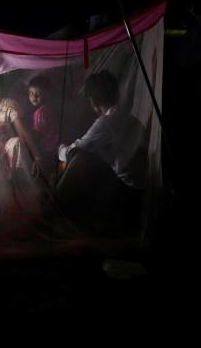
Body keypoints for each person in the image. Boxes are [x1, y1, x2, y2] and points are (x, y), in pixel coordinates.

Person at [53, 70, 145, 233]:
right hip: (137, 190)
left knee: (79, 159)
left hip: (129, 195)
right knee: (87, 157)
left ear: (94, 101)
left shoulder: (106, 123)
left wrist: (59, 148)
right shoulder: (131, 118)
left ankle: (53, 211)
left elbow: (74, 150)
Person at [27, 75, 60, 177]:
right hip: (56, 147)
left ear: (46, 95)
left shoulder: (40, 113)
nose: (33, 97)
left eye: (38, 94)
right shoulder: (50, 107)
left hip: (47, 149)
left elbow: (38, 134)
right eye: (31, 93)